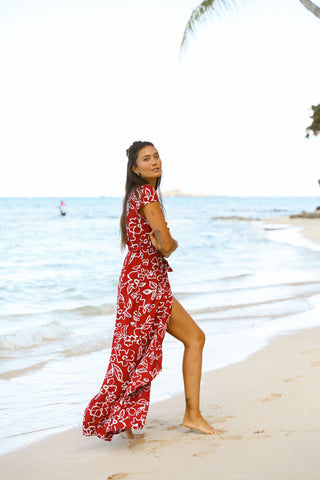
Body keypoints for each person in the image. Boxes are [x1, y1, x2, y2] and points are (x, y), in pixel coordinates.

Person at [83, 141, 219, 442]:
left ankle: (125, 421)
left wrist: (163, 244)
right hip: (147, 285)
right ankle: (192, 415)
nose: (155, 161)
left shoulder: (133, 196)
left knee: (132, 352)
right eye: (147, 159)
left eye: (156, 156)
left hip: (135, 283)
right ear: (135, 168)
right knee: (195, 338)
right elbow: (166, 246)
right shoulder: (145, 194)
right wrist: (172, 243)